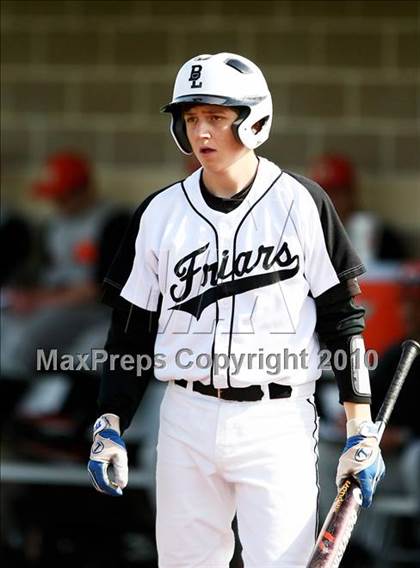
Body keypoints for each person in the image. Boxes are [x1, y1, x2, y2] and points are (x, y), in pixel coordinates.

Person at [88, 53, 385, 567]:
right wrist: (109, 420)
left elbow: (343, 320)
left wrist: (360, 428)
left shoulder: (301, 203)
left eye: (218, 118)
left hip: (278, 419)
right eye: (192, 119)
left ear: (255, 120)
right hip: (185, 413)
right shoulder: (159, 213)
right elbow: (131, 331)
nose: (202, 132)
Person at [307, 154, 407, 264]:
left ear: (351, 194)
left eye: (336, 193)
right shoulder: (302, 237)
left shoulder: (383, 238)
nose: (329, 201)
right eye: (322, 194)